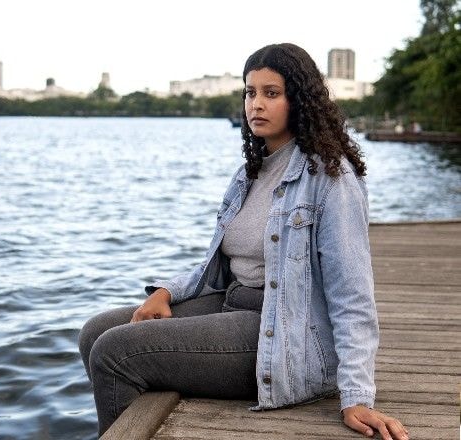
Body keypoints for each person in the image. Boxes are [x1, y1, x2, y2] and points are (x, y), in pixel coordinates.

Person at [78, 43, 409, 440]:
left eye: (272, 93)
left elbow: (352, 294)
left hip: (283, 333)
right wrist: (166, 291)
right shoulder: (248, 175)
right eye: (250, 92)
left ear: (299, 101)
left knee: (116, 352)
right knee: (95, 332)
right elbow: (218, 264)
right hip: (232, 302)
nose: (257, 104)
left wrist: (357, 395)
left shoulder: (330, 179)